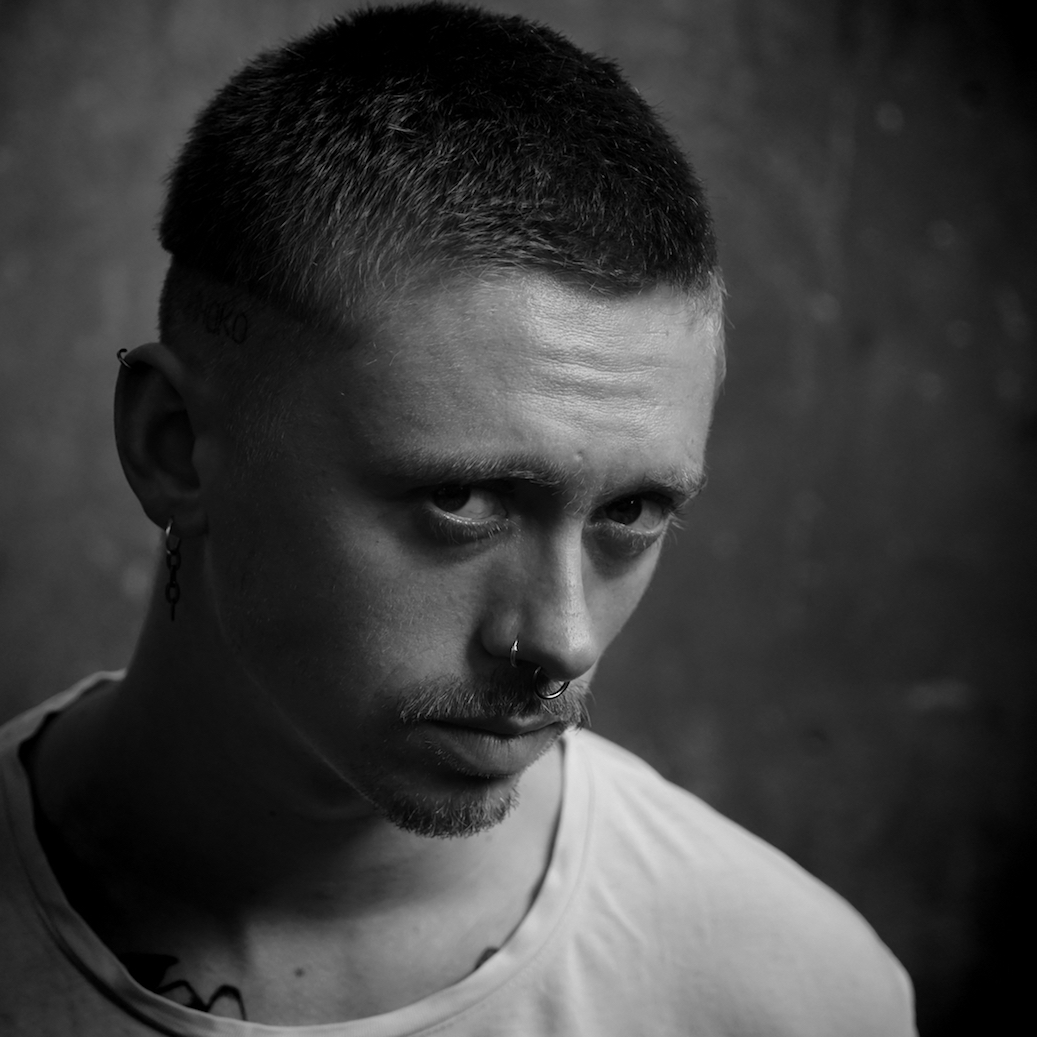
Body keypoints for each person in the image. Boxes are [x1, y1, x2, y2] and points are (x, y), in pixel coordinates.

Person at [0, 3, 916, 1033]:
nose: (561, 640)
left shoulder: (790, 993)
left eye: (630, 510)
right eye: (462, 498)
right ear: (175, 446)